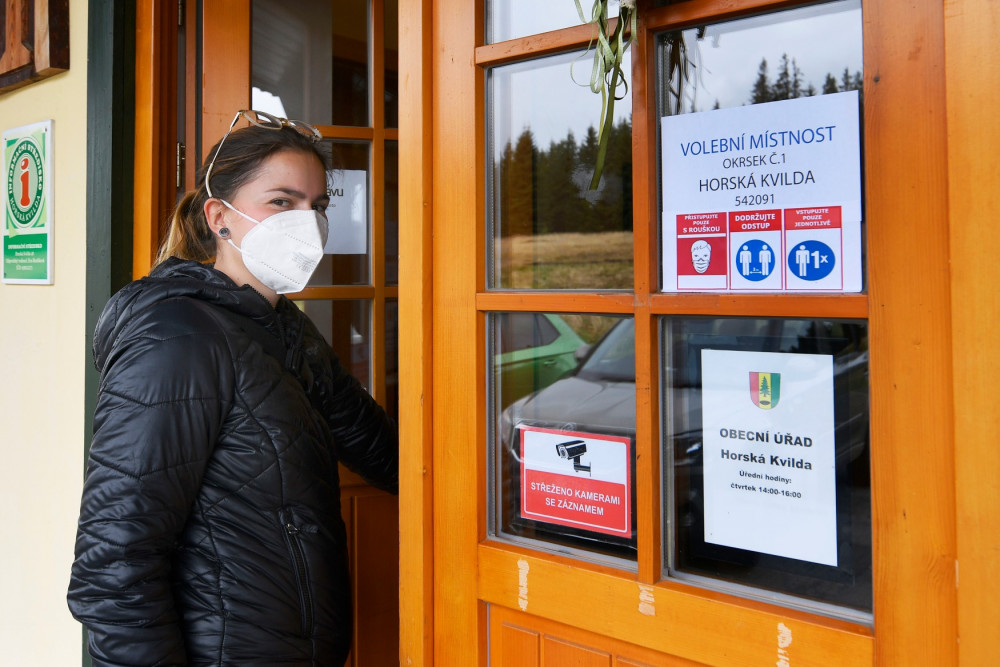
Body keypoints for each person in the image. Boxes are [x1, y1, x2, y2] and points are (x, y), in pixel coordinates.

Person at [67, 110, 398, 666]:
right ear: (220, 217)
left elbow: (381, 448)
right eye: (282, 202)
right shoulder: (177, 335)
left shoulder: (287, 330)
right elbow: (113, 563)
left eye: (318, 206)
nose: (307, 222)